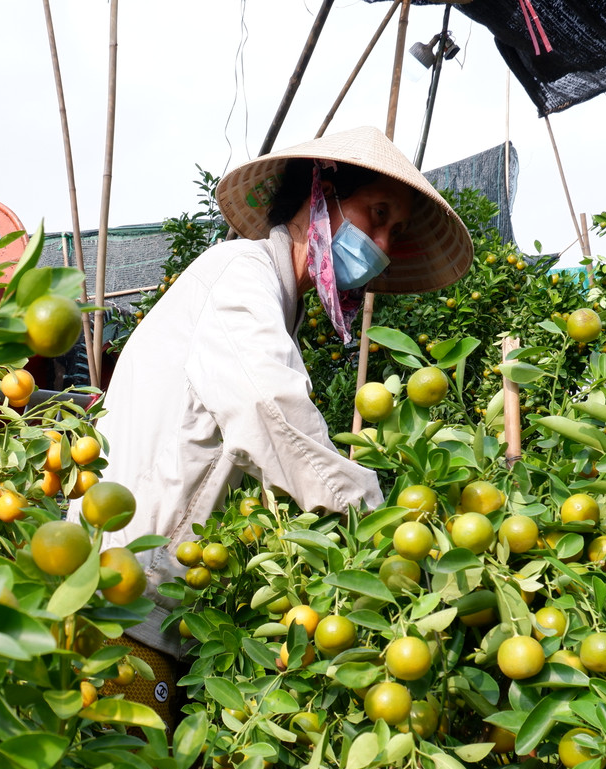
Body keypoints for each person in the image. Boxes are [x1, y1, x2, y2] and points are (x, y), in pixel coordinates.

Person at [82, 125, 473, 683]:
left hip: (154, 603)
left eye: (396, 230)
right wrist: (373, 515)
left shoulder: (270, 302)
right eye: (376, 214)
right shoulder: (239, 273)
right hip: (123, 602)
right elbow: (268, 409)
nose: (383, 245)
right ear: (321, 194)